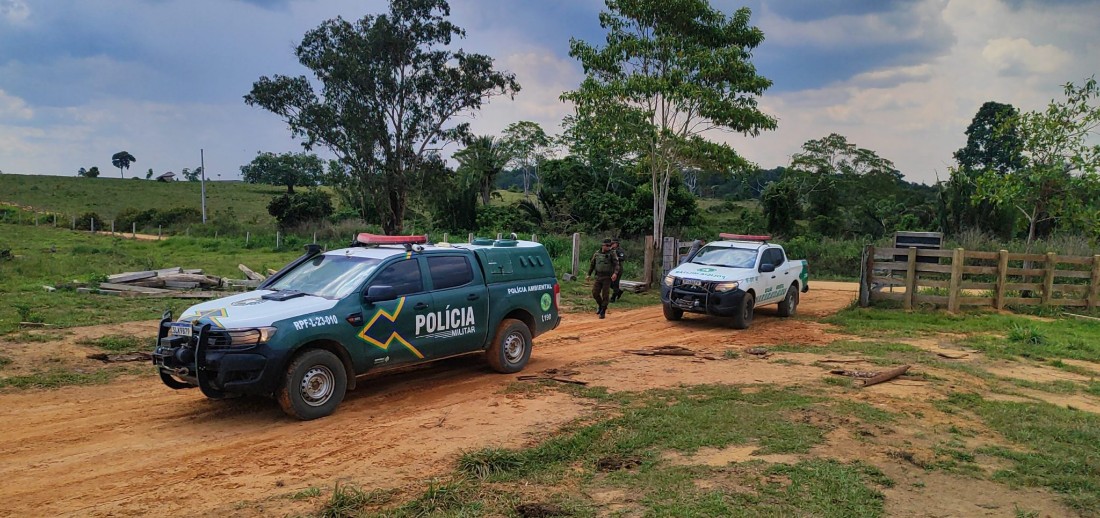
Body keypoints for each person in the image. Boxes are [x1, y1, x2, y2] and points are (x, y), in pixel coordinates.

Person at [587, 238, 621, 319]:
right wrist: (588, 274)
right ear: (603, 245)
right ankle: (600, 305)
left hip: (607, 277)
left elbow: (616, 264)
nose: (609, 247)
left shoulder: (612, 254)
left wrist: (615, 273)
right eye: (607, 245)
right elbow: (592, 264)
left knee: (605, 294)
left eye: (610, 245)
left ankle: (603, 310)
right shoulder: (597, 254)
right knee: (595, 293)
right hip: (598, 276)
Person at [609, 238, 627, 302]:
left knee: (615, 283)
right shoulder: (610, 249)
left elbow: (622, 258)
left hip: (618, 268)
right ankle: (619, 291)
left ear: (617, 244)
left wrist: (616, 258)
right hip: (611, 268)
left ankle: (613, 298)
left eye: (613, 243)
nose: (612, 245)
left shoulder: (620, 250)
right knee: (609, 283)